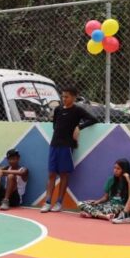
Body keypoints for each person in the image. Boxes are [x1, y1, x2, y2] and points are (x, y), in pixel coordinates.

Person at [43, 85, 99, 213]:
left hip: (66, 146)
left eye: (67, 97)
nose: (64, 99)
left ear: (74, 97)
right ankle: (47, 202)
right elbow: (55, 126)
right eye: (63, 96)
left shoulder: (77, 110)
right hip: (54, 145)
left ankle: (59, 202)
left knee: (63, 174)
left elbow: (93, 119)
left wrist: (79, 126)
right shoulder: (57, 109)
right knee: (51, 173)